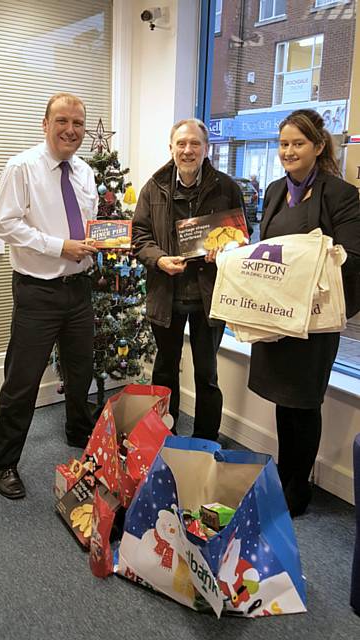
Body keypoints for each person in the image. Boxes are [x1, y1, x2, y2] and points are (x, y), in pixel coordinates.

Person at [248, 109, 360, 517]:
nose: (289, 151)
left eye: (298, 143)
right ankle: (284, 470)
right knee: (283, 398)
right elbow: (265, 245)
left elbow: (352, 256)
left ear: (317, 146)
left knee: (305, 400)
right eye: (283, 144)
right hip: (277, 313)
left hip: (314, 317)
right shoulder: (276, 190)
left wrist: (306, 270)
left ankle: (299, 485)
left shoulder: (340, 194)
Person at [0, 92, 99, 499]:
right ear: (45, 124)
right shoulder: (21, 167)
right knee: (22, 381)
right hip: (38, 292)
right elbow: (4, 224)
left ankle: (78, 432)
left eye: (79, 124)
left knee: (80, 371)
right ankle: (3, 463)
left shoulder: (85, 172)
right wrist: (59, 246)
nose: (71, 130)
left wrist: (98, 241)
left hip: (79, 290)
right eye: (62, 121)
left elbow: (88, 225)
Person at [132, 118, 247, 440]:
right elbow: (139, 236)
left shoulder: (227, 188)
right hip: (165, 295)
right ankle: (162, 438)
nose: (187, 150)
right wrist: (159, 259)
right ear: (171, 147)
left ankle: (205, 443)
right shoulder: (153, 186)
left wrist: (223, 249)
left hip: (208, 298)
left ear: (206, 149)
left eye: (195, 143)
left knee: (207, 376)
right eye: (181, 143)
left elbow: (239, 239)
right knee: (165, 372)